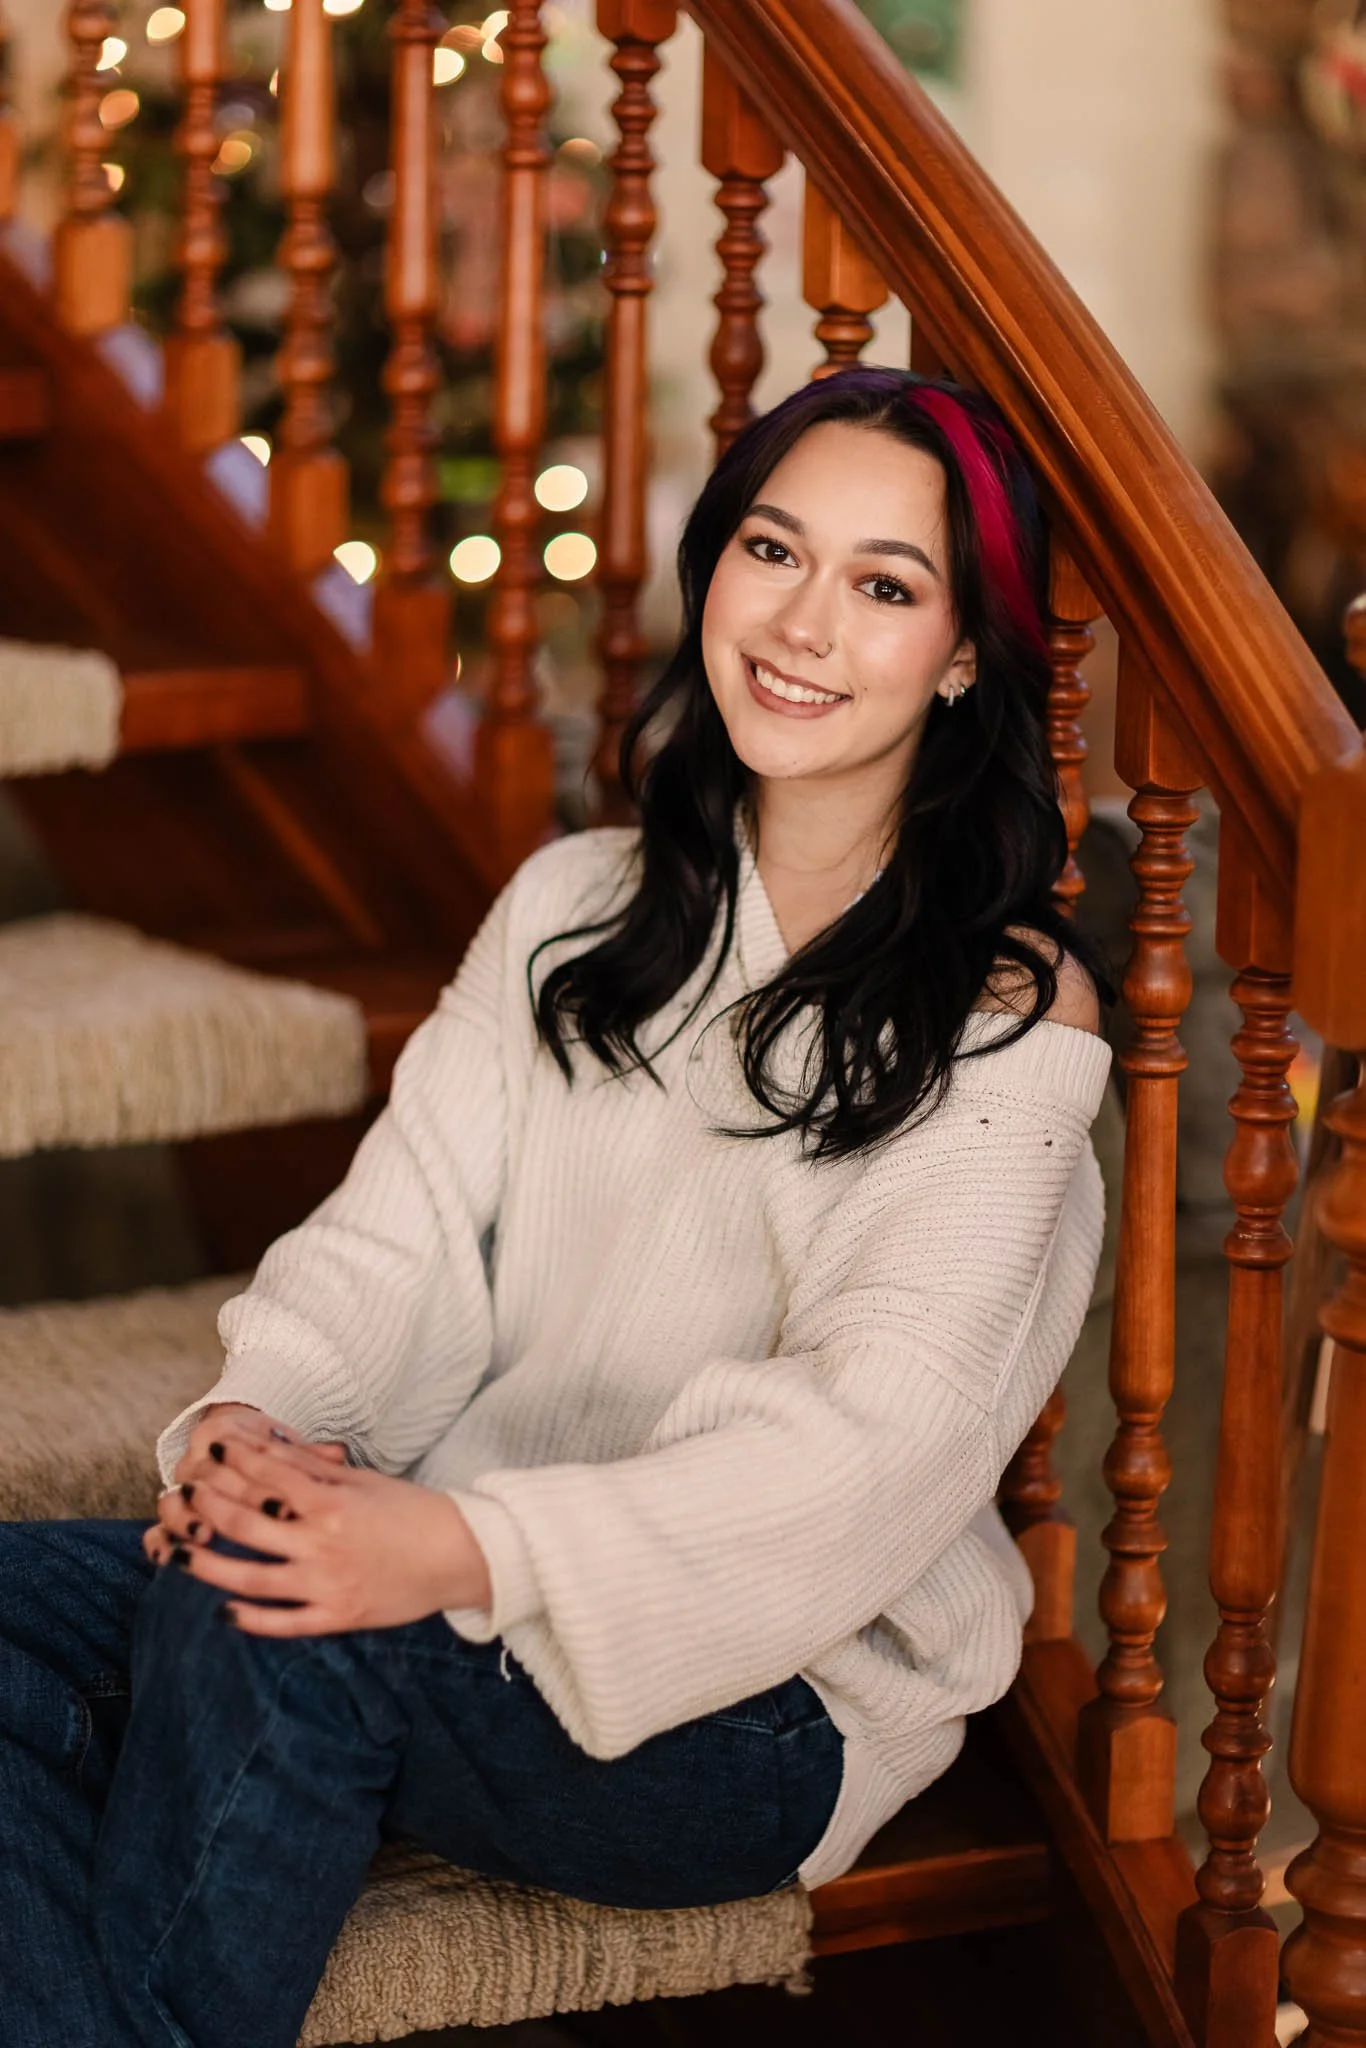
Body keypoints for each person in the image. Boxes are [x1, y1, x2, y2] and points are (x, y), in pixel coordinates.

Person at [0, 367, 1112, 2048]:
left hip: (765, 1701)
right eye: (770, 549)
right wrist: (252, 1423)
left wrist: (448, 1545)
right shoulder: (573, 905)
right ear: (711, 565)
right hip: (457, 1577)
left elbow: (861, 1453)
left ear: (962, 655)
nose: (803, 623)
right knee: (194, 1572)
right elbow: (400, 1243)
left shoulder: (1004, 1019)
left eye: (884, 587)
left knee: (284, 1614)